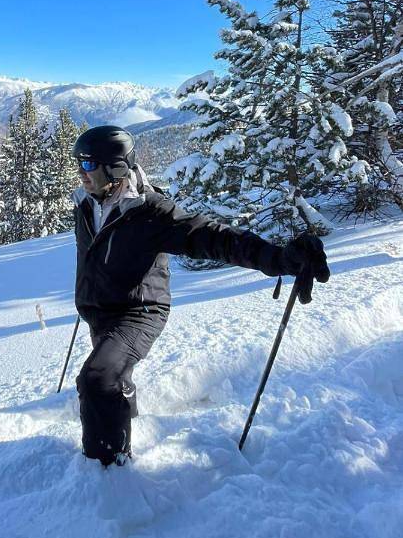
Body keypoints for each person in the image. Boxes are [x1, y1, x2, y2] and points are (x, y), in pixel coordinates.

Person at [71, 125, 330, 467]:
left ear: (115, 167)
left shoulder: (152, 214)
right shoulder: (87, 203)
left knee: (97, 379)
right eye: (78, 163)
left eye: (88, 165)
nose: (80, 173)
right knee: (115, 374)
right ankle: (122, 413)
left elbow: (214, 237)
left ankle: (107, 470)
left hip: (138, 312)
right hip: (100, 310)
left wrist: (278, 258)